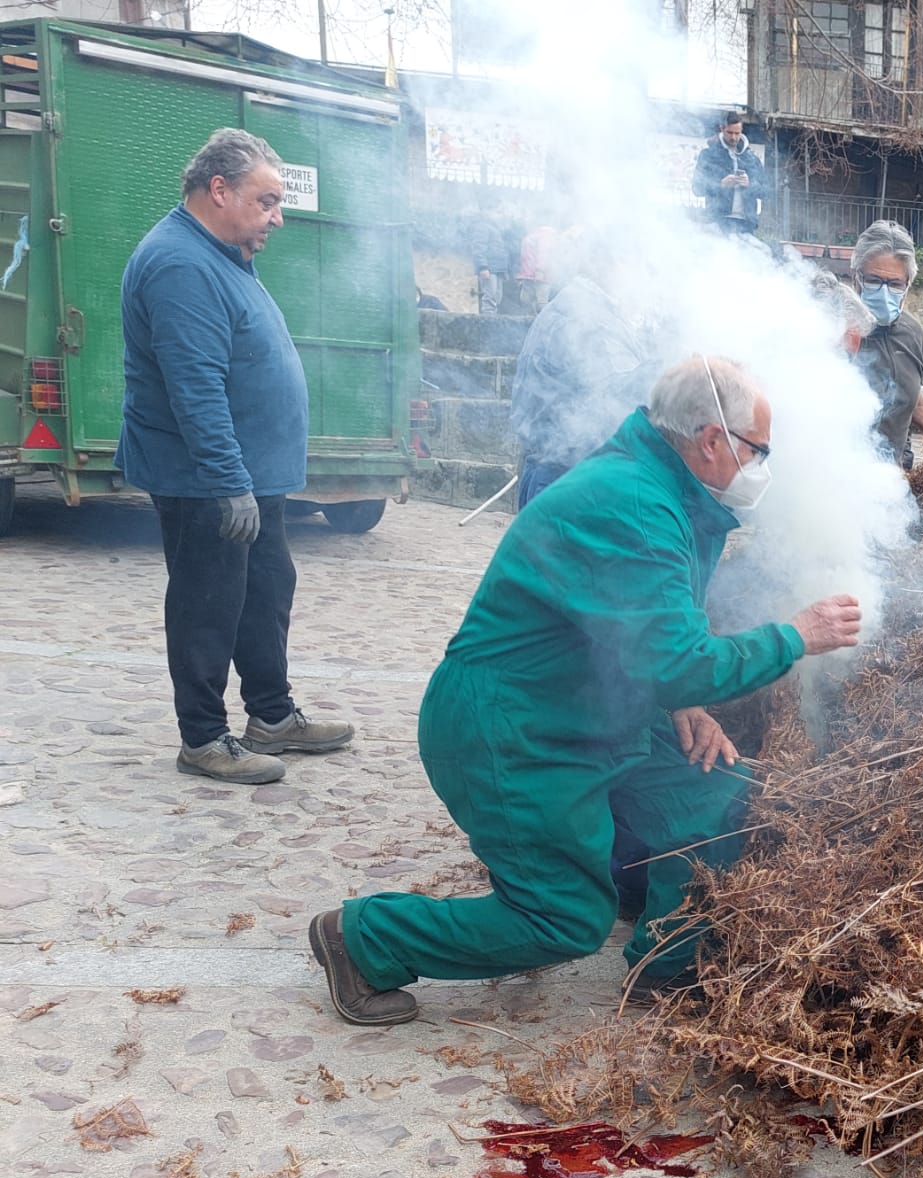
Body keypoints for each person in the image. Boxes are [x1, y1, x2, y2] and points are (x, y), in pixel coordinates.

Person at [307, 358, 864, 1027]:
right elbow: (679, 659)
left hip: (598, 707)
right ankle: (365, 939)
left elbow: (639, 626)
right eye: (757, 450)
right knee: (562, 919)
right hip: (514, 729)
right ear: (712, 441)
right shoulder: (634, 505)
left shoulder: (666, 488)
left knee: (714, 795)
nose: (760, 467)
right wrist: (795, 637)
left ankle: (667, 966)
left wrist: (680, 699)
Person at [117, 127, 351, 787]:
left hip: (248, 475)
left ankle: (272, 717)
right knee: (207, 602)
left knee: (265, 590)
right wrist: (227, 483)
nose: (278, 217)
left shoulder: (222, 253)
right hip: (207, 481)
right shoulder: (181, 264)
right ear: (219, 190)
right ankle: (202, 737)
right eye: (268, 201)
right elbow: (195, 388)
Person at [508, 242, 657, 508]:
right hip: (568, 480)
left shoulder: (575, 305)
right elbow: (618, 405)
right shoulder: (590, 320)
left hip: (552, 474)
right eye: (640, 267)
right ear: (615, 264)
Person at [848, 221, 923, 467]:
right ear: (856, 277)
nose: (884, 292)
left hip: (892, 478)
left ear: (907, 286)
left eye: (894, 284)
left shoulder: (913, 335)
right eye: (873, 280)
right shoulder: (832, 328)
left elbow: (908, 392)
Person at [693, 112, 768, 238]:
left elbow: (766, 191)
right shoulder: (708, 155)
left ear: (742, 130)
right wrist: (720, 184)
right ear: (722, 129)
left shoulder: (752, 158)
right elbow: (696, 188)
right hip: (717, 222)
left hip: (746, 224)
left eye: (737, 133)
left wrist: (750, 184)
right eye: (730, 132)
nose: (734, 137)